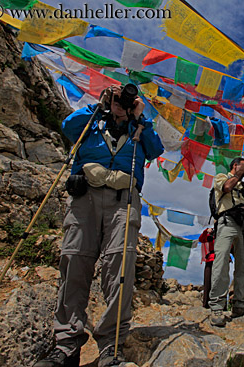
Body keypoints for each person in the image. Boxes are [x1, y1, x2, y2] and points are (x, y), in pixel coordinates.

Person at [34, 84, 163, 367]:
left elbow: (156, 149)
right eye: (117, 97)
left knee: (120, 265)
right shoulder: (94, 121)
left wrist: (142, 118)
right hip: (85, 197)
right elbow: (68, 126)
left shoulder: (139, 130)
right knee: (75, 260)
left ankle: (110, 345)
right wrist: (99, 104)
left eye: (126, 100)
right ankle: (67, 345)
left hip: (123, 200)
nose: (121, 103)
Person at [209, 157, 244, 327]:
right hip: (227, 222)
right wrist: (239, 173)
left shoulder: (243, 184)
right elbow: (227, 187)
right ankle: (217, 306)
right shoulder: (221, 177)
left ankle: (239, 303)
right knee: (221, 261)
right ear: (235, 165)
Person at [198, 228, 215, 309]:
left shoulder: (223, 235)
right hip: (211, 259)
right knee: (207, 281)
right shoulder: (209, 235)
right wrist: (206, 231)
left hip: (220, 259)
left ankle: (220, 304)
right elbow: (201, 239)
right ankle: (206, 304)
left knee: (220, 282)